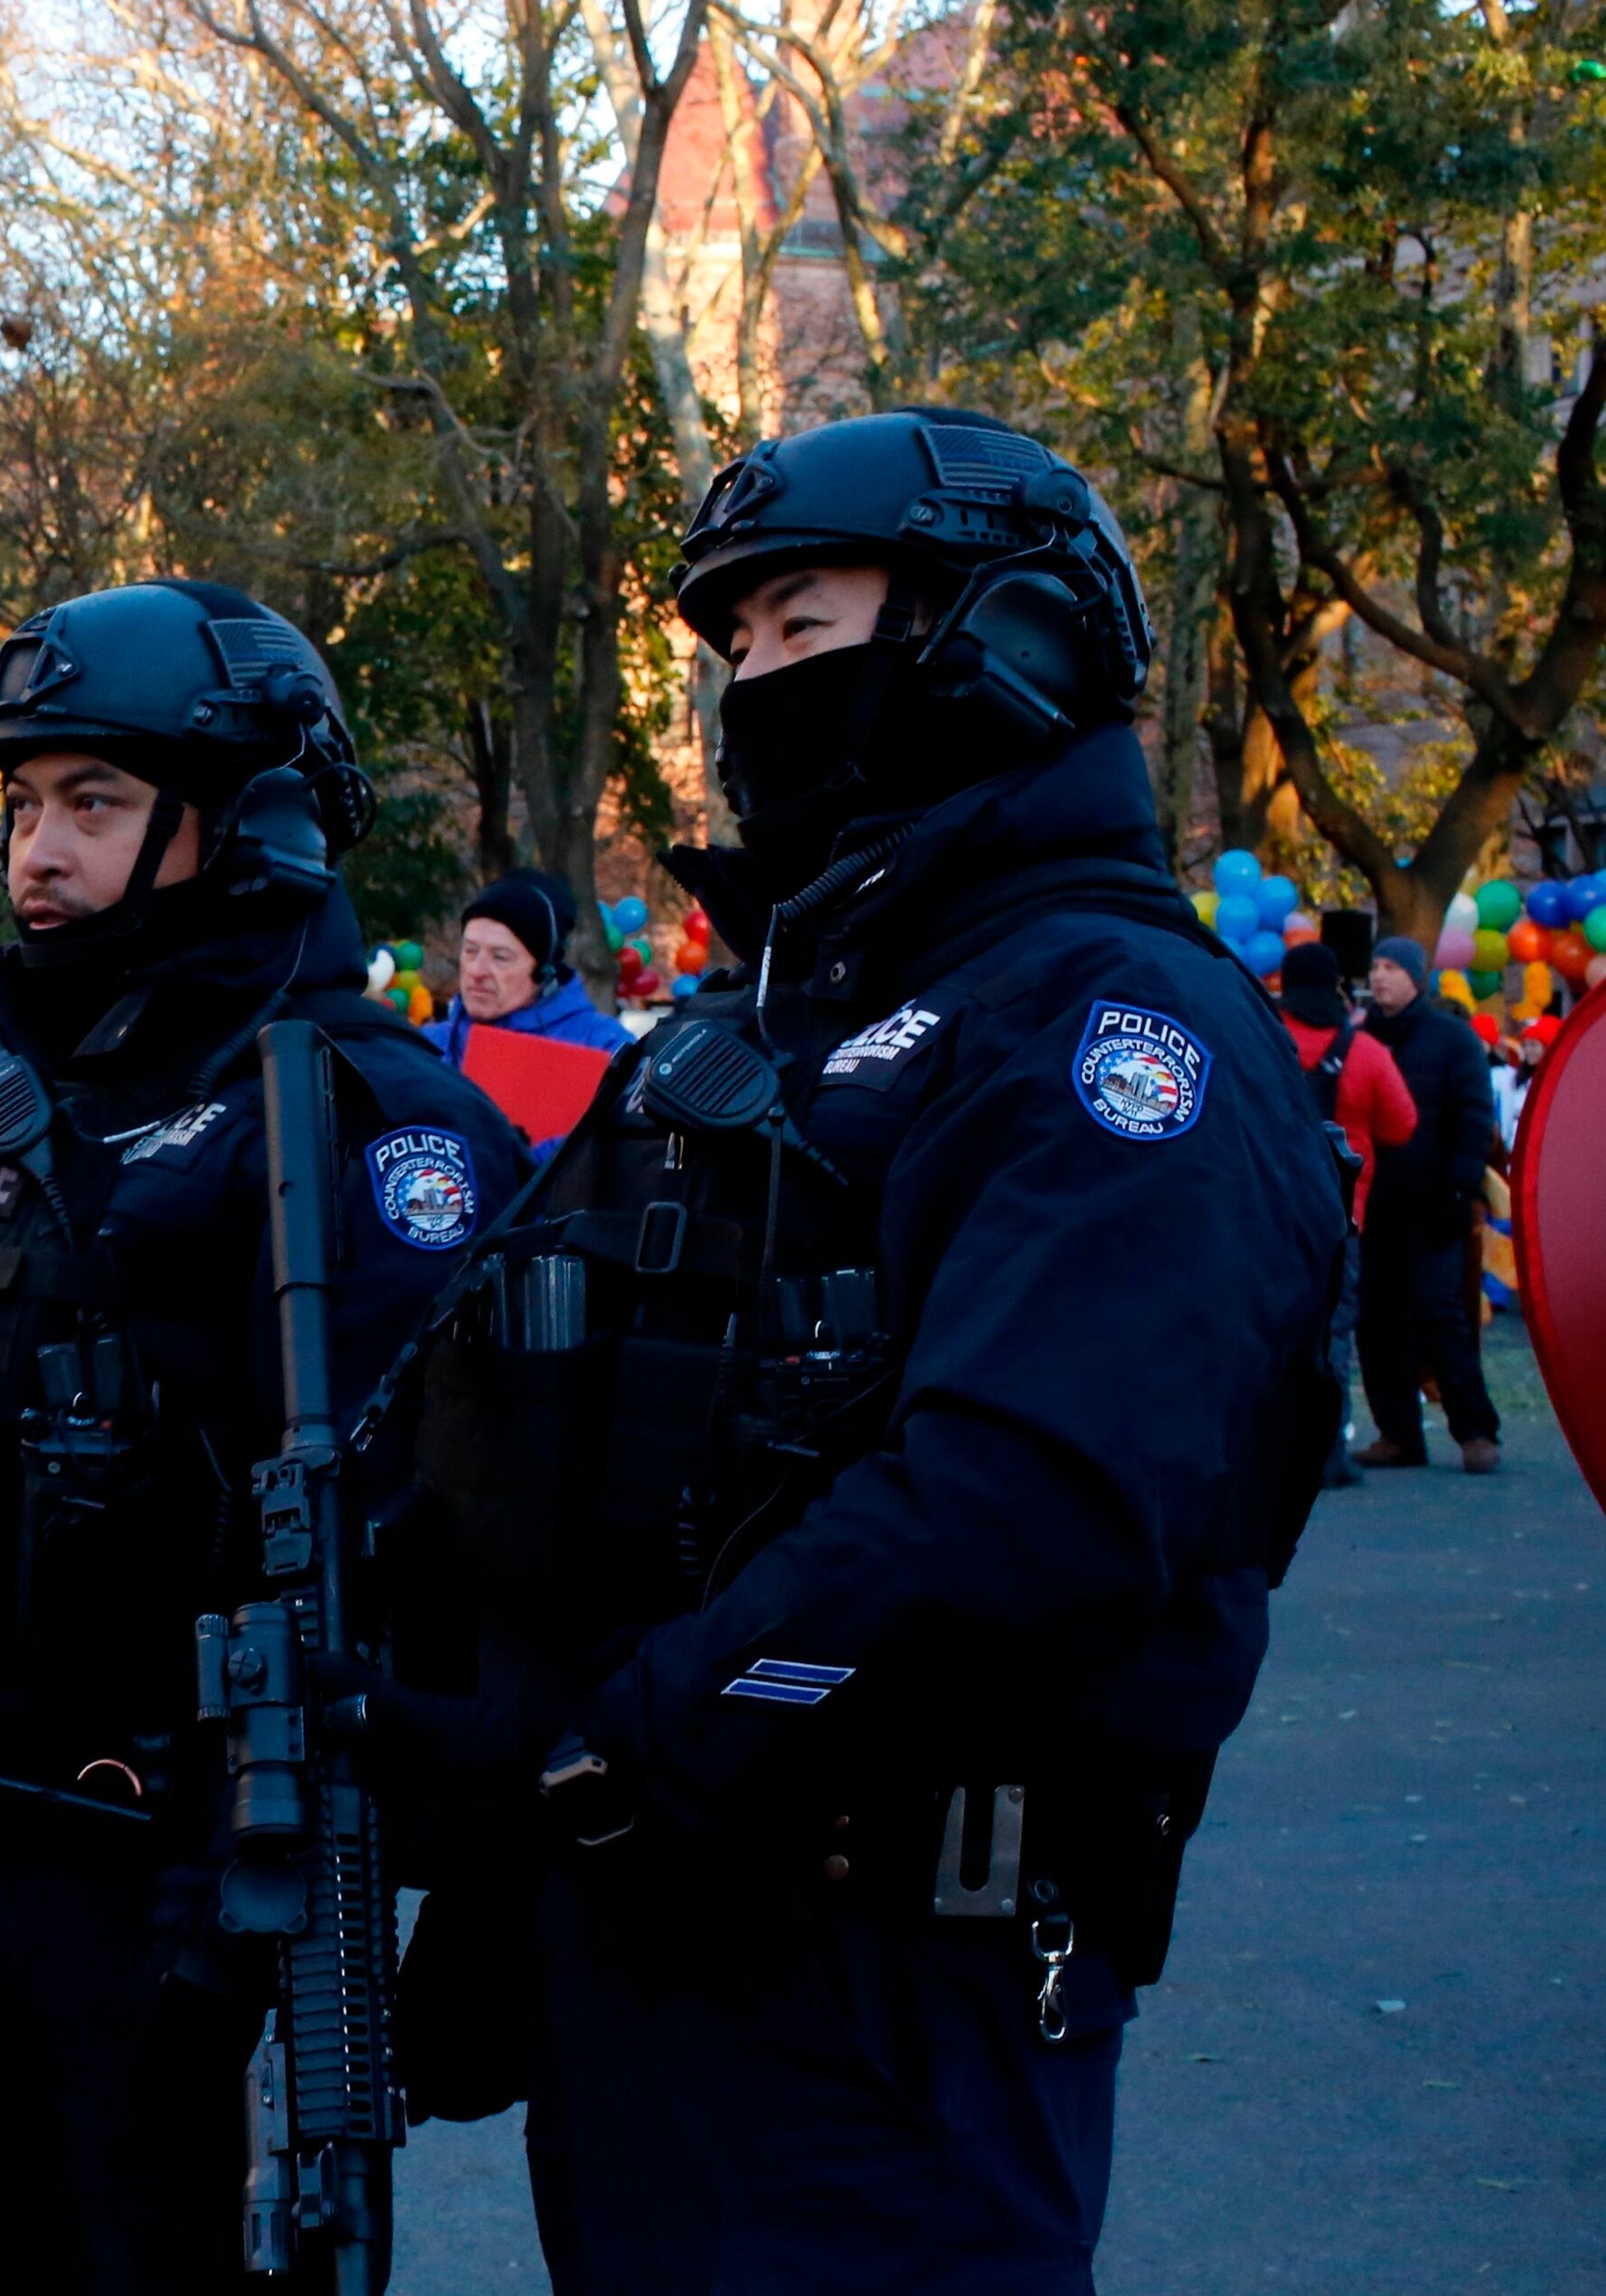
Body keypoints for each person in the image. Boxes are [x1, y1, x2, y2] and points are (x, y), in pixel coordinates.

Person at [366, 408, 1344, 2292]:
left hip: (892, 1972)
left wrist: (613, 1755)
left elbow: (1026, 1510)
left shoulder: (1111, 1026)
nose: (752, 691)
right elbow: (527, 1419)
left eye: (800, 629)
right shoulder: (753, 1038)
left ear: (1003, 641)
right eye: (730, 650)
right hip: (646, 1941)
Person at [0, 579, 526, 2290]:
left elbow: (459, 1559)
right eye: (26, 803)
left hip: (188, 1896)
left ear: (245, 813)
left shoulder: (372, 1123)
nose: (37, 850)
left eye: (93, 802)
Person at [1354, 934, 1504, 1473]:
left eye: (1391, 966)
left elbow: (1473, 1118)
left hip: (1435, 1202)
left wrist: (1461, 1189)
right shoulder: (1363, 1039)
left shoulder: (1452, 1039)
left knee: (1442, 1316)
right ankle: (1398, 1434)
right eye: (1375, 966)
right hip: (1375, 1207)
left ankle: (1476, 1431)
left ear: (1417, 976)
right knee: (1376, 1322)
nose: (1379, 977)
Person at [1278, 940, 1416, 1489]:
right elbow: (1402, 1126)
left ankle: (1260, 1449)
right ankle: (1326, 1453)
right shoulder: (1365, 1052)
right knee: (1332, 1336)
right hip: (1341, 1218)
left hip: (1266, 1215)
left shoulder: (1263, 1037)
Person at [425, 868, 633, 1066]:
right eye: (470, 951)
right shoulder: (424, 1047)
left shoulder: (605, 1047)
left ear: (544, 969)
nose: (477, 971)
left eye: (500, 957)